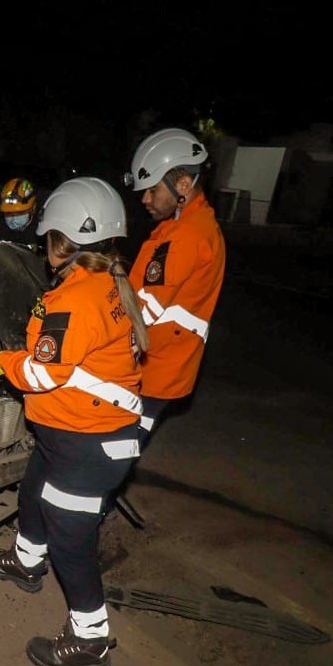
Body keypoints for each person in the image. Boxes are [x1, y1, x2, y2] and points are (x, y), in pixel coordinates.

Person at [0, 177, 148, 666]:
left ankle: (90, 638)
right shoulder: (110, 283)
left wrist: (2, 362)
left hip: (89, 443)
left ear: (59, 242)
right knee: (34, 492)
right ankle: (27, 560)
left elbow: (41, 373)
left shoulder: (73, 299)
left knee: (71, 543)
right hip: (72, 433)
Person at [123, 127, 226, 450]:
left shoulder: (186, 236)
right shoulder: (181, 226)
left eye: (152, 190)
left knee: (111, 455)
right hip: (159, 366)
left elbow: (142, 311)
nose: (145, 199)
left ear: (183, 185)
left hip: (153, 371)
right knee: (114, 454)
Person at [0, 177, 40, 246]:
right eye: (8, 213)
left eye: (20, 212)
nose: (13, 218)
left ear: (33, 207)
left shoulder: (42, 232)